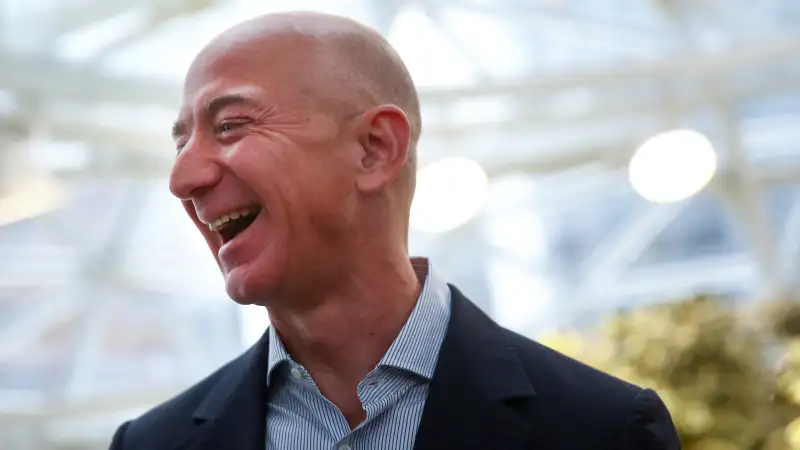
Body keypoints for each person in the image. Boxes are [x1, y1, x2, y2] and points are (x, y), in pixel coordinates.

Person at [109, 11, 681, 450]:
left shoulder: (603, 431)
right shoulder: (149, 445)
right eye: (181, 141)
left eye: (231, 124)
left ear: (374, 150)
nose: (183, 177)